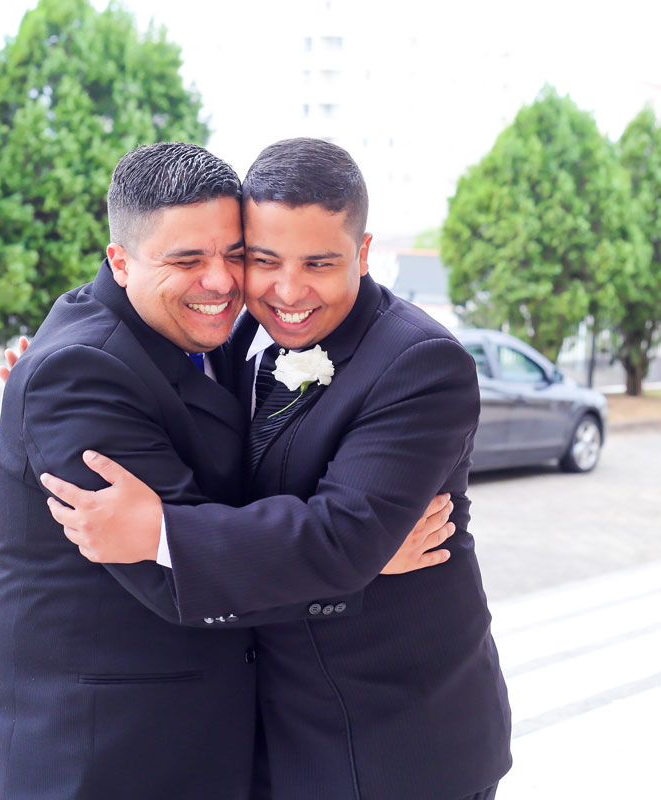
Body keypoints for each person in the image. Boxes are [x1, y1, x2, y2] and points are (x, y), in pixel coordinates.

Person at [44, 138, 512, 800]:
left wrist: (159, 533)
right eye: (263, 261)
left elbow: (345, 536)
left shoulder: (421, 362)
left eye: (319, 263)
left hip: (396, 742)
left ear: (364, 253)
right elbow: (133, 345)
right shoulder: (234, 335)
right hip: (276, 740)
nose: (289, 291)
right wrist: (41, 368)